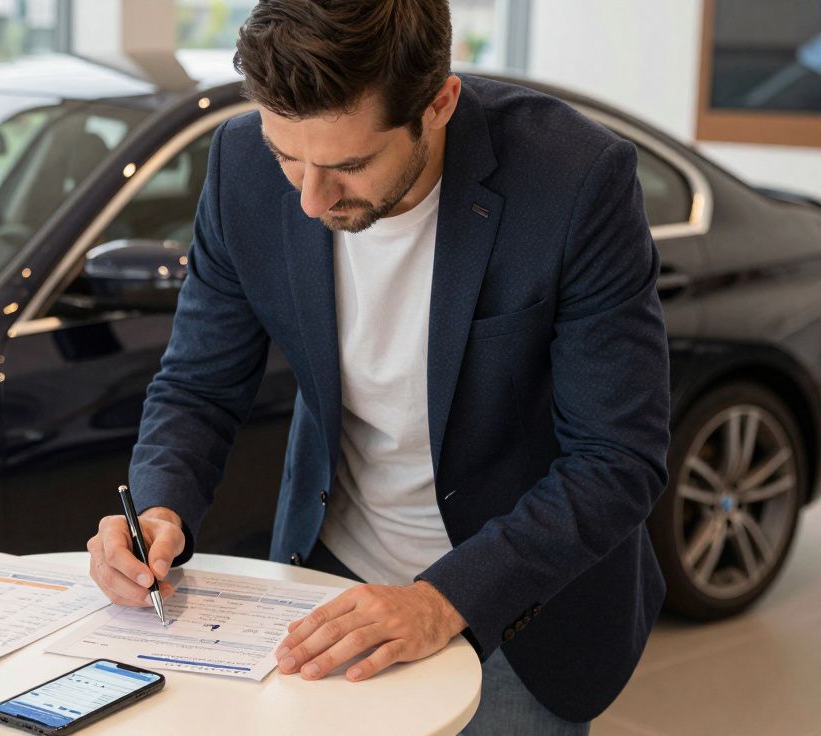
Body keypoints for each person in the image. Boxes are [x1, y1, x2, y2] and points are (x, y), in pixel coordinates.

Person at [85, 1, 670, 732]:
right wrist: (160, 509)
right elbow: (198, 385)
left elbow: (617, 458)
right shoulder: (238, 165)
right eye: (286, 156)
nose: (307, 199)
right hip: (326, 576)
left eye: (349, 165)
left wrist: (439, 601)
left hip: (515, 602)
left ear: (440, 104)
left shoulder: (575, 181)